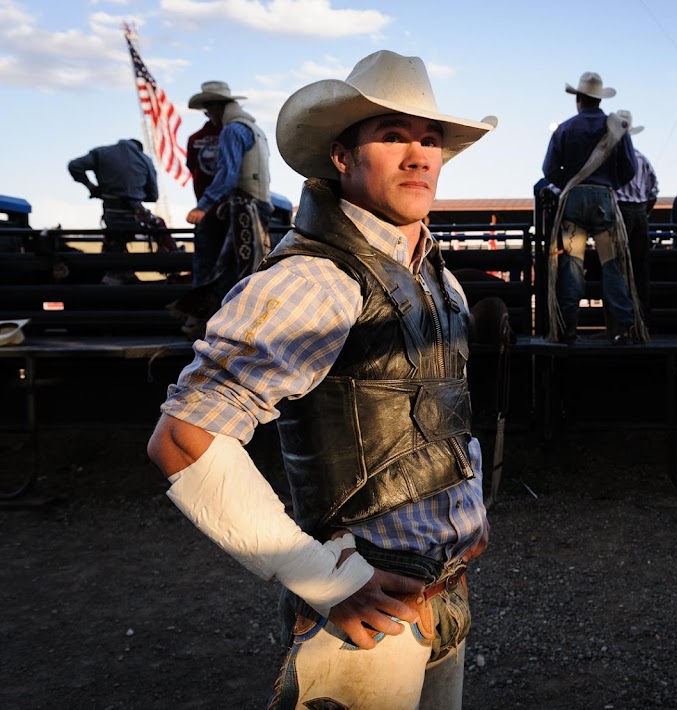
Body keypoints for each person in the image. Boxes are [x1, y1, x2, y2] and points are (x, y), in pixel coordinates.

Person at [147, 49, 497, 709]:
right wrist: (324, 579)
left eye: (430, 139)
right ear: (342, 156)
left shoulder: (436, 275)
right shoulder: (315, 278)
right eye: (392, 135)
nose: (418, 155)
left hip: (440, 595)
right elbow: (183, 437)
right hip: (367, 615)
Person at [542, 72, 647, 345]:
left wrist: (569, 184)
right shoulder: (616, 127)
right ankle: (622, 328)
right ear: (599, 99)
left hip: (573, 200)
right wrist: (609, 183)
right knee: (612, 264)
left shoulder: (565, 128)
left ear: (578, 99)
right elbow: (629, 168)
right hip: (604, 199)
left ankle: (567, 329)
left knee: (572, 264)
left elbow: (549, 169)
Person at [173, 80, 272, 338]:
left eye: (209, 109)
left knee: (212, 263)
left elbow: (228, 174)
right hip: (257, 205)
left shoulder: (230, 131)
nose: (208, 115)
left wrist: (203, 205)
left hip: (241, 207)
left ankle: (204, 320)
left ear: (216, 107)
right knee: (245, 266)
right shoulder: (254, 130)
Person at [67, 138, 168, 284]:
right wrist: (135, 194)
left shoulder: (101, 153)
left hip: (111, 217)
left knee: (114, 243)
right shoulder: (145, 159)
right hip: (134, 217)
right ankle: (173, 257)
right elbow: (153, 196)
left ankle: (115, 272)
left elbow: (74, 166)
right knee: (159, 225)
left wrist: (92, 187)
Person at [614, 115, 658, 320]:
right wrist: (644, 212)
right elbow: (653, 191)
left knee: (617, 266)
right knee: (640, 267)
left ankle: (622, 319)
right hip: (640, 211)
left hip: (619, 211)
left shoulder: (609, 157)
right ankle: (642, 317)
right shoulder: (642, 158)